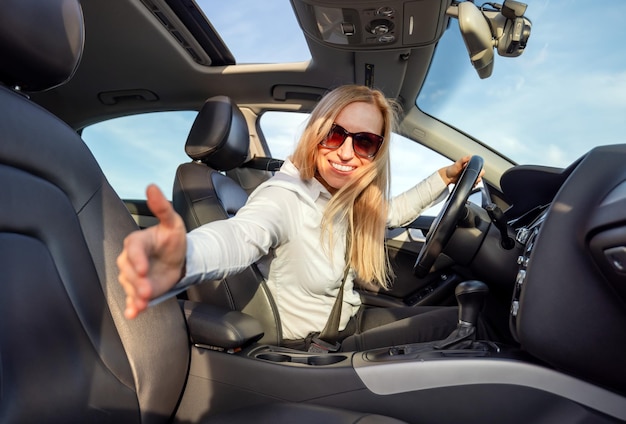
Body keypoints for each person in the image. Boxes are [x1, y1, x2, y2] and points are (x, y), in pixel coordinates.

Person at [117, 84, 487, 352]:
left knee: (464, 318)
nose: (345, 152)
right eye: (334, 134)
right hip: (310, 351)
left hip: (346, 324)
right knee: (474, 323)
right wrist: (178, 258)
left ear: (376, 153)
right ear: (316, 134)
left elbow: (389, 214)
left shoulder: (337, 200)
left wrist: (445, 178)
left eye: (364, 142)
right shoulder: (285, 196)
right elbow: (241, 236)